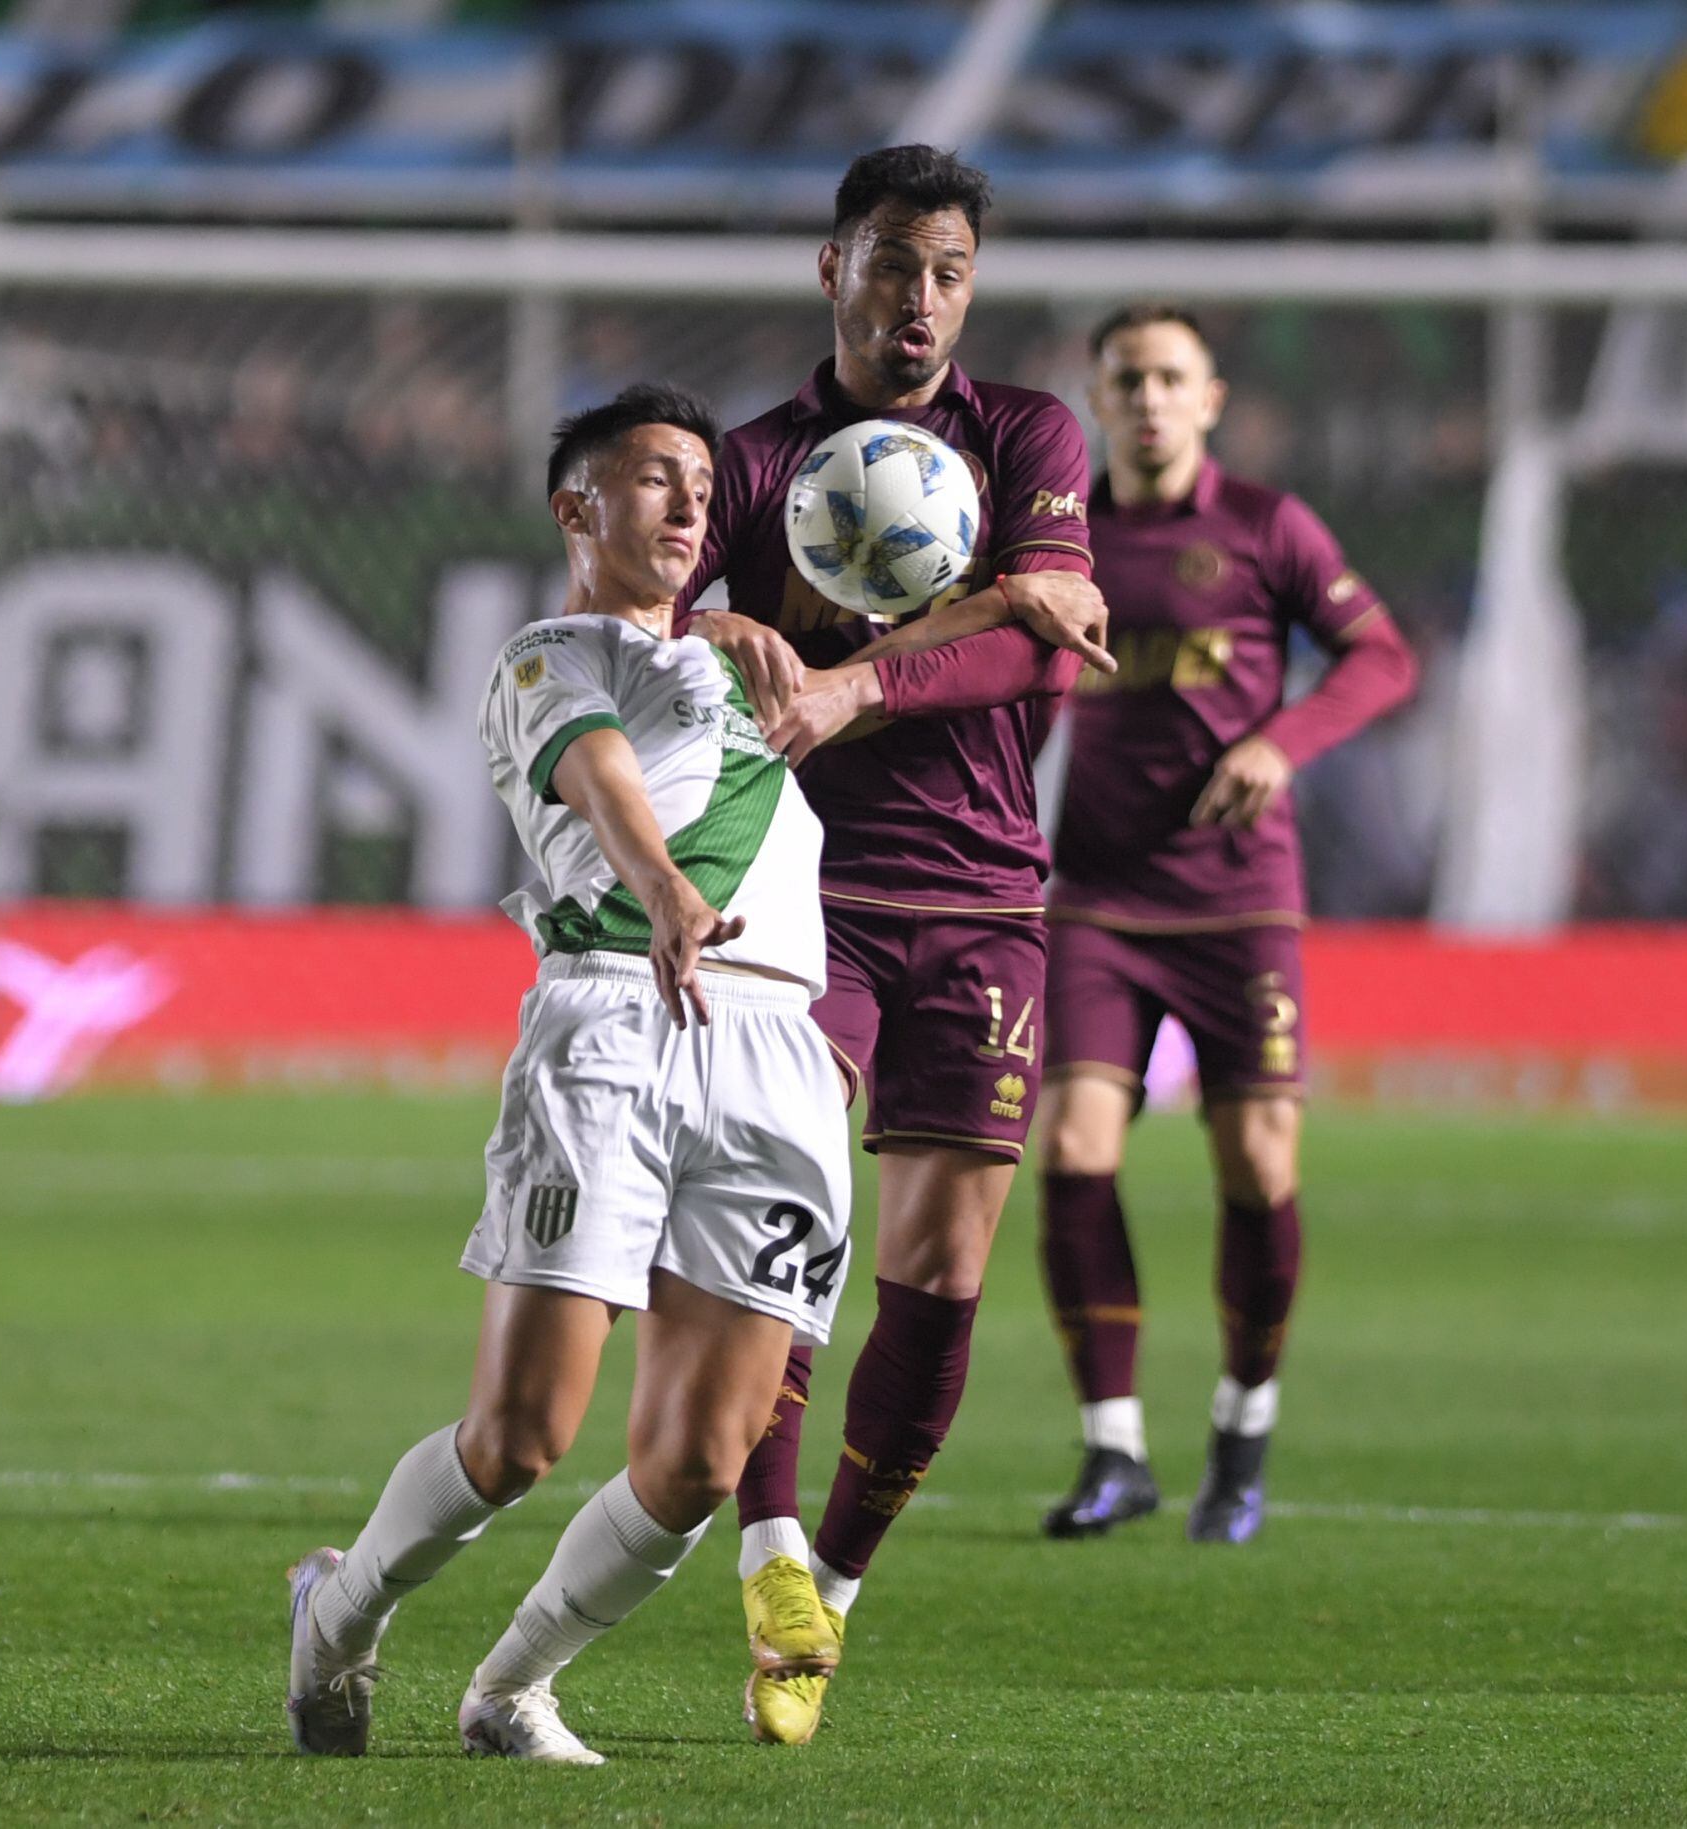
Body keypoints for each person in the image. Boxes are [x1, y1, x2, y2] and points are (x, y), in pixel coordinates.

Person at [286, 385, 853, 1766]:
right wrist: (664, 888)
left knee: (703, 1462)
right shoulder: (544, 656)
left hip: (776, 1054)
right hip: (613, 1021)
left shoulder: (749, 665)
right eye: (652, 478)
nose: (684, 505)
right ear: (575, 507)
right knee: (526, 1430)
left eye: (701, 489)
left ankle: (511, 1689)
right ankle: (339, 1615)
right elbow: (598, 773)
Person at [673, 143, 1115, 1744]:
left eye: (948, 273)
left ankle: (833, 1595)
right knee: (788, 1234)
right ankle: (773, 1539)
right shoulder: (748, 464)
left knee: (940, 1270)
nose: (919, 302)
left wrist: (853, 673)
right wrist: (730, 631)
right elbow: (661, 637)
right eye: (891, 266)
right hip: (804, 896)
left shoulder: (1027, 434)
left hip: (990, 897)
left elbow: (1045, 620)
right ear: (831, 269)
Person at [1035, 304, 1416, 1544]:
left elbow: (1379, 657)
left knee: (1256, 1165)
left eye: (1169, 379)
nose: (1147, 398)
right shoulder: (1059, 532)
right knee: (1074, 1149)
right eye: (1126, 379)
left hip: (1237, 898)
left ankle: (1242, 1424)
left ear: (1210, 400)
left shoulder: (1266, 526)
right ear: (1097, 399)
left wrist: (1280, 740)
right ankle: (1113, 1447)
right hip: (1093, 892)